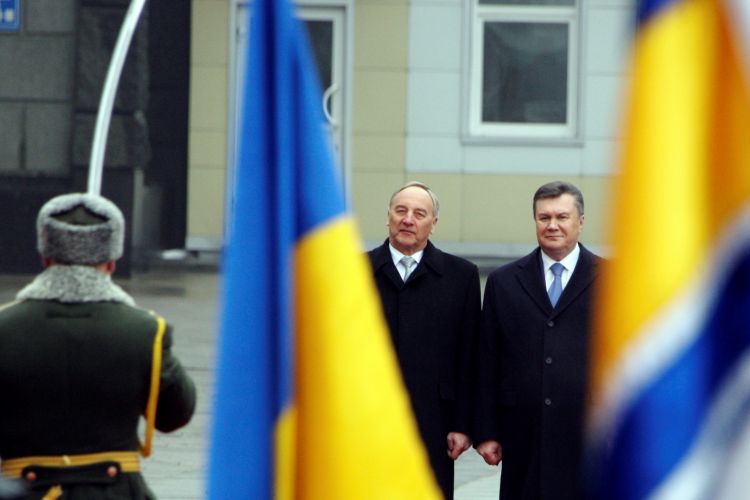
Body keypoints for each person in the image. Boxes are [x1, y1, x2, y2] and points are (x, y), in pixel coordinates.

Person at [0, 192, 196, 499]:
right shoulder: (145, 330)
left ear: (45, 257)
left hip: (24, 490)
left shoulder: (4, 328)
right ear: (112, 262)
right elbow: (175, 414)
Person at [474, 181, 602, 500]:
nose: (552, 225)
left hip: (589, 435)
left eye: (562, 217)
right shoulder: (504, 282)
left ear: (580, 222)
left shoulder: (612, 279)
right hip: (522, 436)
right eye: (544, 217)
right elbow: (487, 359)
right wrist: (486, 431)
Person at [368, 181, 481, 499]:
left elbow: (470, 356)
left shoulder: (461, 276)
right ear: (388, 216)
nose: (408, 219)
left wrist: (463, 424)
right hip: (366, 419)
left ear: (433, 224)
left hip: (435, 422)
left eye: (419, 214)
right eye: (400, 210)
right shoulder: (354, 271)